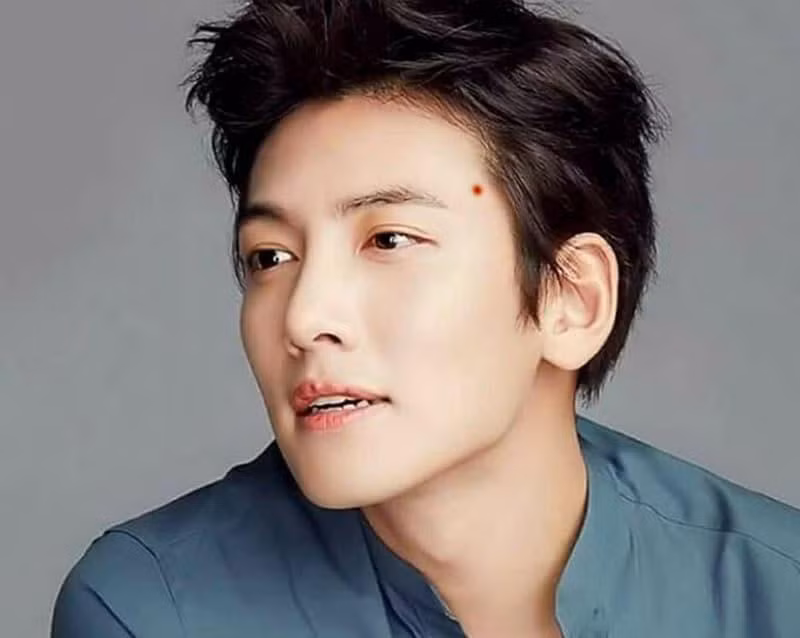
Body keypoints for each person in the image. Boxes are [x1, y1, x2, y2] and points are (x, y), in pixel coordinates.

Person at [51, 1, 800, 636]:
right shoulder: (153, 611)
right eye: (270, 257)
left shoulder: (774, 592)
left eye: (388, 240)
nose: (304, 317)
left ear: (572, 298)